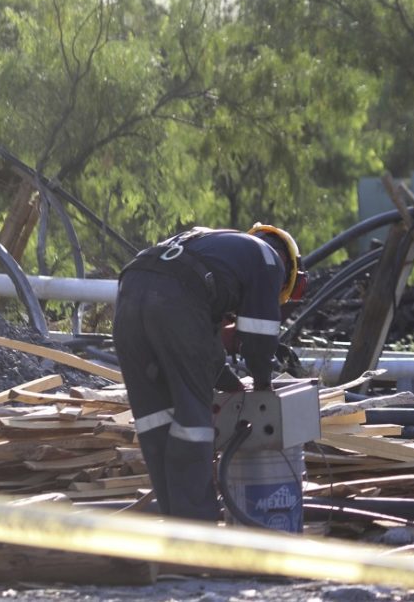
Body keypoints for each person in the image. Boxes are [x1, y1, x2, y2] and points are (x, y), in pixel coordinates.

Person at [112, 223, 306, 521]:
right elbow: (259, 339)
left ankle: (176, 531)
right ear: (288, 271)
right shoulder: (270, 261)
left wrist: (229, 382)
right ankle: (199, 535)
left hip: (129, 293)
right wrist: (263, 385)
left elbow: (204, 343)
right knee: (193, 422)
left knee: (154, 422)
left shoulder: (210, 244)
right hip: (174, 300)